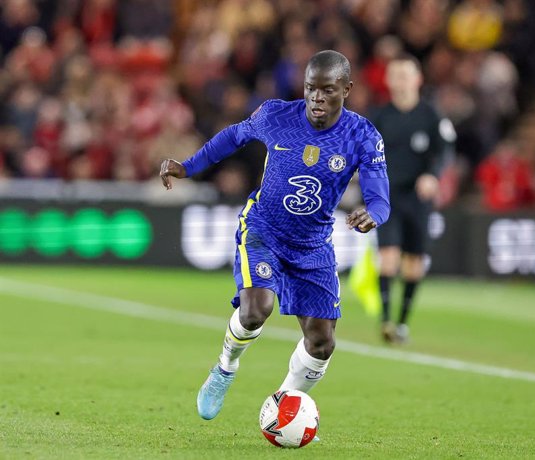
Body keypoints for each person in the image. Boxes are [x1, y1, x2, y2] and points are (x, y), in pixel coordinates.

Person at [159, 50, 390, 421]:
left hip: (314, 245)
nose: (317, 98)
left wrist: (374, 214)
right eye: (311, 88)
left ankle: (285, 402)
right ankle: (224, 368)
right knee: (255, 311)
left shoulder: (362, 135)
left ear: (347, 89)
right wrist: (189, 166)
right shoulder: (276, 115)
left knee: (322, 342)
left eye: (328, 90)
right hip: (264, 229)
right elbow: (233, 137)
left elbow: (380, 195)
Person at [369, 54, 453, 344]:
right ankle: (385, 321)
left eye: (406, 75)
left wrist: (432, 175)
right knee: (389, 258)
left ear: (418, 79)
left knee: (414, 262)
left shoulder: (432, 116)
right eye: (396, 75)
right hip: (387, 197)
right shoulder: (380, 116)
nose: (400, 81)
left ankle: (402, 322)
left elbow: (445, 152)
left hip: (418, 199)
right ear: (389, 81)